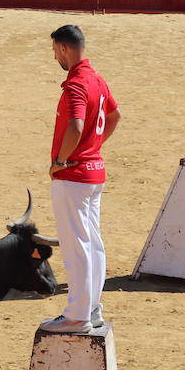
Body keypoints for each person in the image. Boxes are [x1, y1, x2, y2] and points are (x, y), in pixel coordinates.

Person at [39, 23, 120, 336]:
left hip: (73, 175)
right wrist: (93, 147)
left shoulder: (75, 85)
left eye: (54, 51)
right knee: (93, 242)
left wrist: (61, 160)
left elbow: (74, 125)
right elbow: (114, 116)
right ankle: (92, 308)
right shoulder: (97, 79)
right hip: (94, 171)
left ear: (63, 48)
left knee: (76, 246)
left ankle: (77, 315)